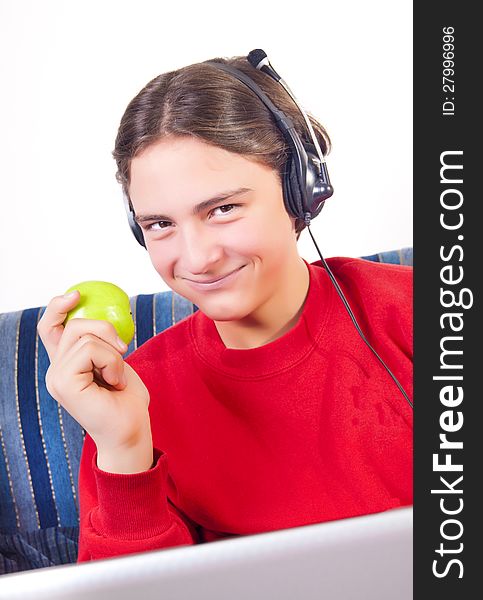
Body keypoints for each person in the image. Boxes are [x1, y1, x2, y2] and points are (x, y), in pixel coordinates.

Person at [37, 52, 413, 563]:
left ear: (300, 190)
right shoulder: (132, 395)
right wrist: (124, 447)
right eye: (160, 224)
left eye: (223, 208)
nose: (197, 259)